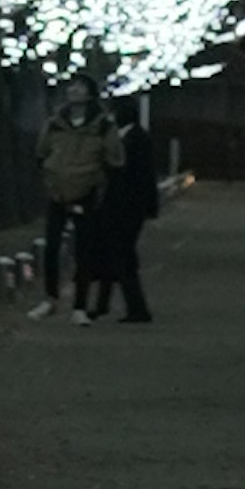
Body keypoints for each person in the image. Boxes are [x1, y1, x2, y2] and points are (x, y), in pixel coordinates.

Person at [76, 94, 160, 323]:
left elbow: (140, 177)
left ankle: (136, 308)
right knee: (112, 255)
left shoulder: (135, 140)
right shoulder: (131, 137)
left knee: (122, 256)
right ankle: (107, 304)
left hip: (125, 208)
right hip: (118, 207)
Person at [37, 82, 101, 307]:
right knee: (51, 246)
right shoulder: (54, 123)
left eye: (80, 87)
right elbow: (41, 152)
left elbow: (114, 158)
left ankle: (80, 303)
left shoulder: (101, 125)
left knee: (84, 249)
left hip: (86, 192)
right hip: (58, 192)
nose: (74, 90)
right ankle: (50, 296)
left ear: (90, 94)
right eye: (71, 87)